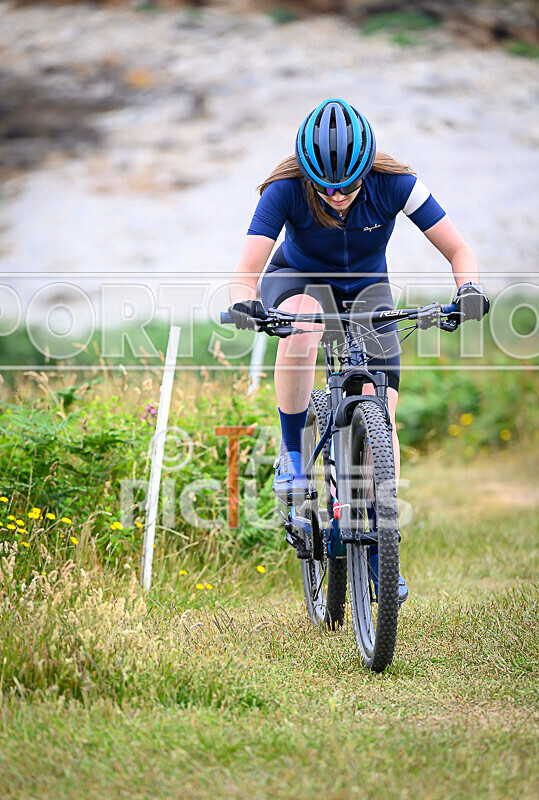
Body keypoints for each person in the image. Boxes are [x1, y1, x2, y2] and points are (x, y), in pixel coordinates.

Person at [227, 99, 489, 598]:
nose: (337, 194)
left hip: (369, 289)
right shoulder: (284, 189)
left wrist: (468, 289)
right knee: (303, 321)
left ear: (366, 169)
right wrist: (246, 303)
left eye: (348, 185)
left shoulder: (398, 183)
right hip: (299, 278)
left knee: (383, 421)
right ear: (307, 173)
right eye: (324, 186)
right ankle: (294, 456)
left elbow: (460, 250)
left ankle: (378, 553)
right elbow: (245, 272)